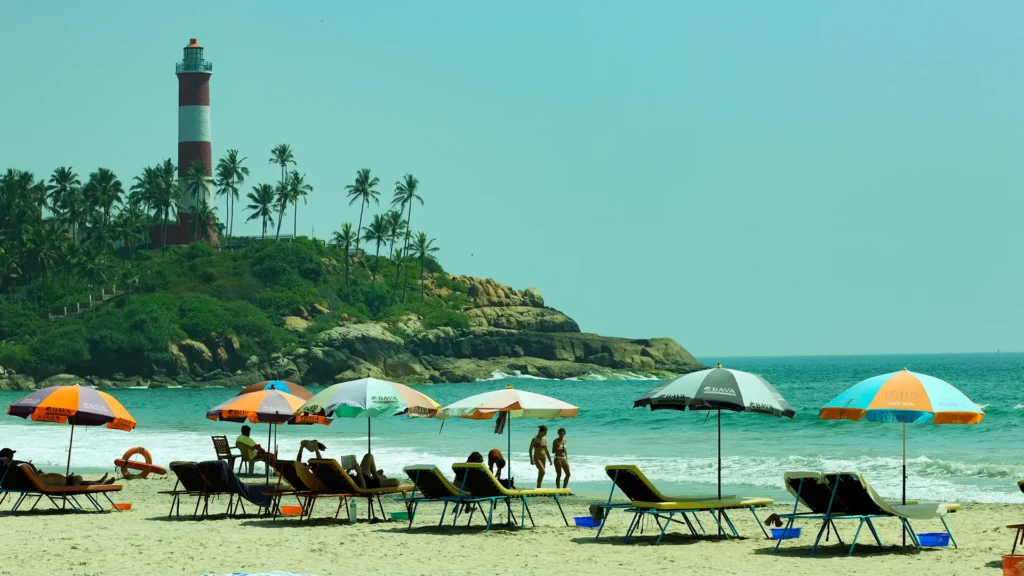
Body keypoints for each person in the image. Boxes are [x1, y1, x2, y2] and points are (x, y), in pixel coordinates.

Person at [0, 448, 113, 486]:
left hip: (30, 482)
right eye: (11, 455)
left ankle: (99, 482)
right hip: (33, 484)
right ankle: (99, 483)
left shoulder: (9, 467)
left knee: (72, 480)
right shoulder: (8, 465)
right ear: (7, 457)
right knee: (76, 480)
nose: (13, 457)